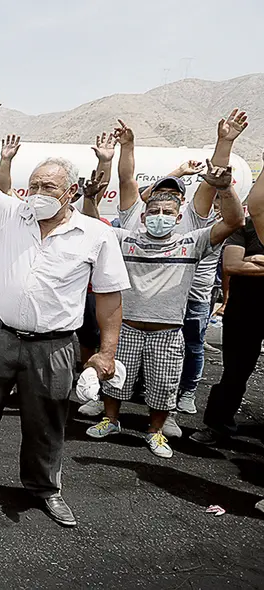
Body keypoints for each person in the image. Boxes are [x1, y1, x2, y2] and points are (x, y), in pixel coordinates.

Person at [0, 86, 130, 527]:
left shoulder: (96, 235)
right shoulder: (11, 213)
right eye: (32, 184)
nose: (36, 192)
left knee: (47, 422)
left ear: (71, 191)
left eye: (48, 186)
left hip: (54, 347)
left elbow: (110, 298)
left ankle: (44, 488)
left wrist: (107, 352)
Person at [84, 158, 243, 458]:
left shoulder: (191, 243)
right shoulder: (126, 240)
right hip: (127, 327)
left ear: (178, 215)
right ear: (143, 217)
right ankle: (111, 420)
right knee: (115, 379)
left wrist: (226, 190)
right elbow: (93, 226)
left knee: (163, 385)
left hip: (167, 332)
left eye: (167, 213)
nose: (160, 216)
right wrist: (90, 198)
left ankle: (154, 432)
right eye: (154, 212)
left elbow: (234, 223)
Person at [191, 153, 264, 446]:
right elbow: (232, 265)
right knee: (236, 371)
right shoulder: (246, 227)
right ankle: (217, 425)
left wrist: (257, 261)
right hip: (245, 312)